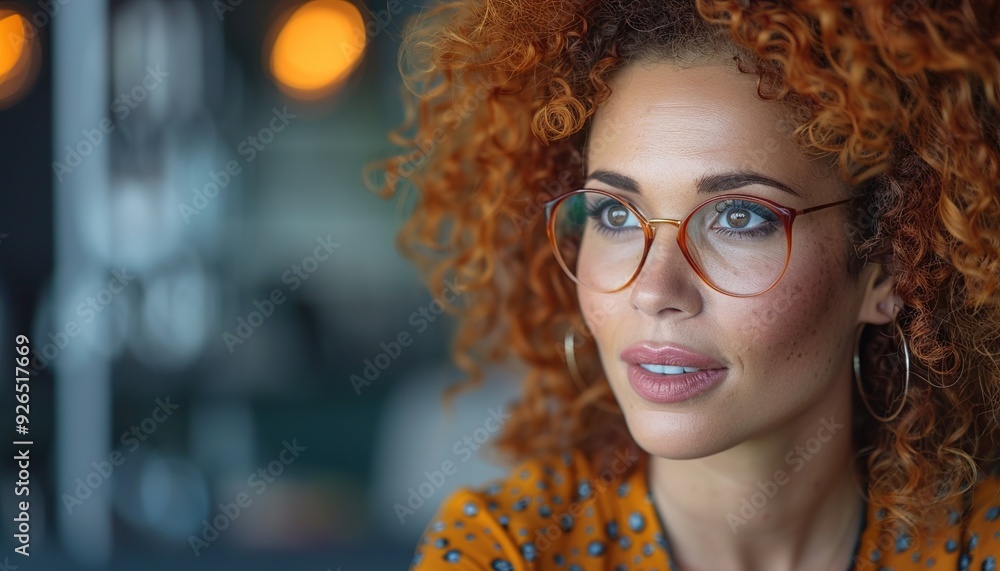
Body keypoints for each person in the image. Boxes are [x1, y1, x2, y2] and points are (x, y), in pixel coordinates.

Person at [366, 0, 1000, 568]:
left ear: (887, 267)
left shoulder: (981, 544)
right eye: (615, 214)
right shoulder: (506, 548)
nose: (653, 288)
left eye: (739, 217)